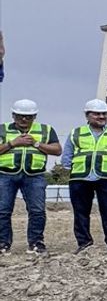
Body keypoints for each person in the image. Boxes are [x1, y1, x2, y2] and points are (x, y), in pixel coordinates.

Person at [62, 98, 107, 253]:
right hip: (80, 177)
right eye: (97, 114)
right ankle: (84, 243)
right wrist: (71, 168)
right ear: (87, 115)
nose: (101, 117)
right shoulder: (76, 133)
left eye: (104, 114)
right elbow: (67, 155)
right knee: (80, 212)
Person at [0, 99, 62, 254]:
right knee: (3, 211)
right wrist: (12, 144)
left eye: (28, 116)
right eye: (20, 116)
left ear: (35, 116)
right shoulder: (2, 129)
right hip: (6, 175)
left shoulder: (46, 130)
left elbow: (57, 150)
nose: (24, 119)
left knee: (37, 211)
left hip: (35, 176)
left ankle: (36, 242)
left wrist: (36, 144)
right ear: (13, 115)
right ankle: (3, 243)